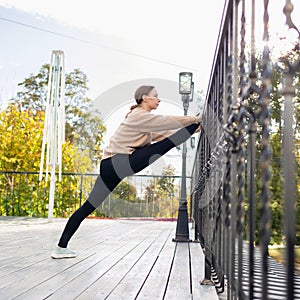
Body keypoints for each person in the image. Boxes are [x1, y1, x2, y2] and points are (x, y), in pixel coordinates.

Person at [51, 85, 202, 258]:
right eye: (155, 96)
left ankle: (60, 248)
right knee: (166, 145)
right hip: (119, 163)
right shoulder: (138, 115)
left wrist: (195, 127)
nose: (158, 99)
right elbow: (166, 121)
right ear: (145, 98)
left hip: (110, 166)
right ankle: (200, 120)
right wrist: (194, 119)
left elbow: (166, 132)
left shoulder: (144, 121)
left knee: (88, 207)